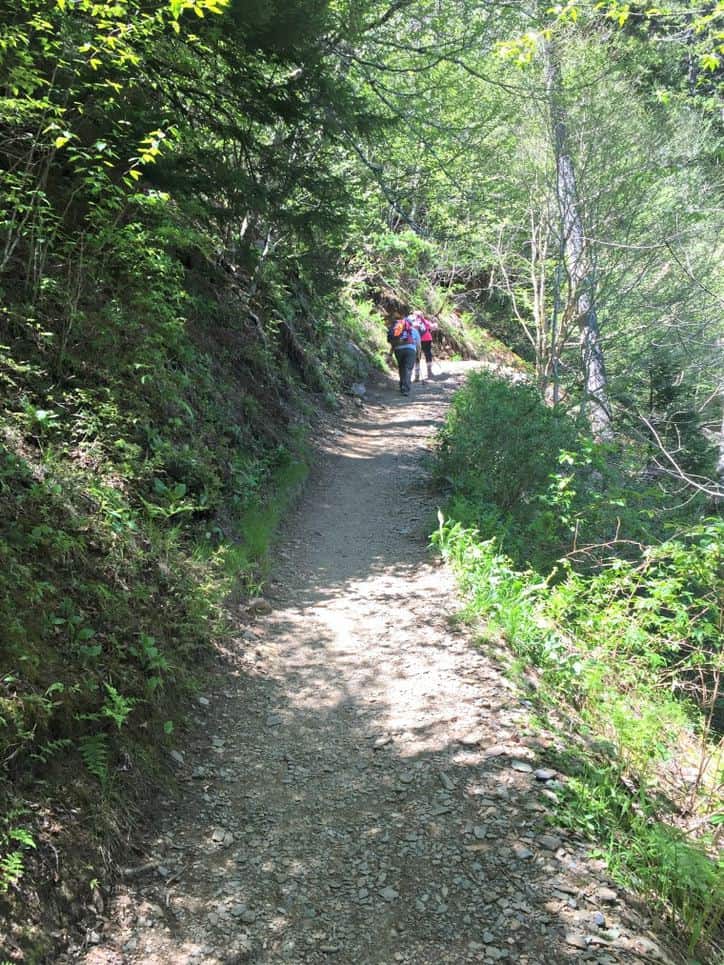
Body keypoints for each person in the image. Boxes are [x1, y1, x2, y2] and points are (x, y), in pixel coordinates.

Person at [387, 315, 421, 395]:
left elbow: (393, 343)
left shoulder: (399, 330)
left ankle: (402, 385)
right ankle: (405, 389)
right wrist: (418, 354)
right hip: (410, 350)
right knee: (408, 368)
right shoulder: (414, 330)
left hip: (398, 350)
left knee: (401, 367)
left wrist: (390, 354)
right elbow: (418, 344)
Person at [411, 310, 437, 380]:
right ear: (422, 315)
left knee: (417, 356)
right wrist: (435, 323)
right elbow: (433, 327)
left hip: (417, 340)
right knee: (428, 354)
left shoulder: (412, 322)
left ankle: (417, 375)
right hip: (427, 339)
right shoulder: (425, 321)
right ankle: (429, 372)